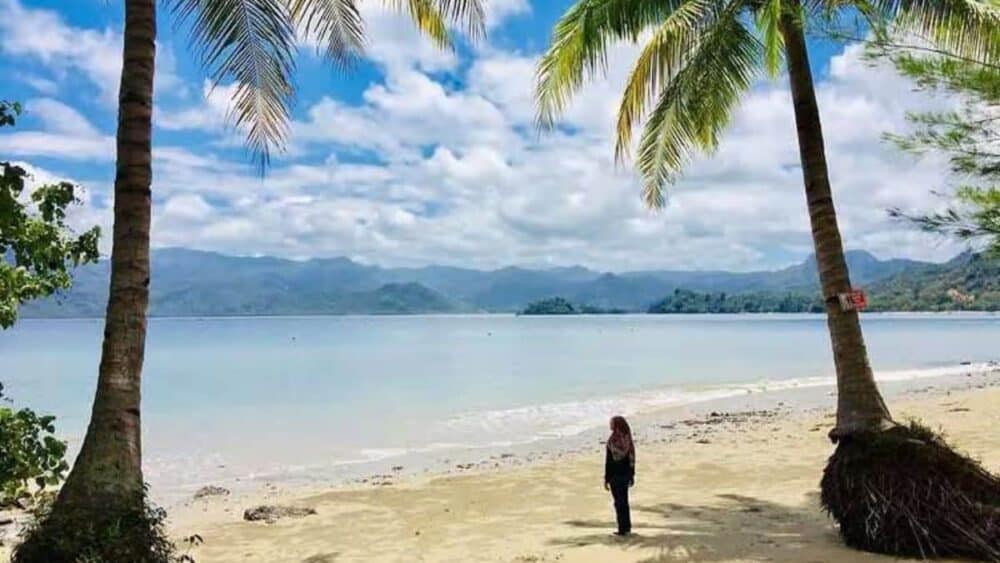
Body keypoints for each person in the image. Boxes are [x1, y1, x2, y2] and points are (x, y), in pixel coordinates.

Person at [604, 415, 635, 536]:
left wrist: (606, 478)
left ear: (616, 425)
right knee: (624, 502)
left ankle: (622, 529)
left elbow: (609, 461)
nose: (610, 425)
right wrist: (632, 474)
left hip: (615, 475)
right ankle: (626, 527)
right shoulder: (627, 438)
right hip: (626, 474)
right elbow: (632, 458)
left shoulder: (612, 440)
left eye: (611, 423)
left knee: (618, 502)